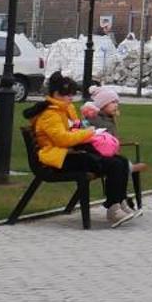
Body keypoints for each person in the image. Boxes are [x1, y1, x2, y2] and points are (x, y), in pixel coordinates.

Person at [31, 72, 134, 227]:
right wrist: (88, 132)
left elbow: (74, 127)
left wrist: (83, 128)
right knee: (111, 164)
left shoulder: (64, 109)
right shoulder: (50, 114)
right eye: (69, 95)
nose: (71, 98)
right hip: (58, 159)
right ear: (57, 94)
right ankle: (113, 208)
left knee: (121, 161)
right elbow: (62, 139)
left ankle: (119, 201)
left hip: (70, 153)